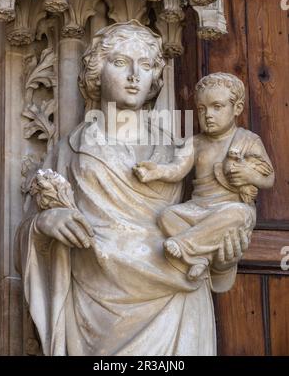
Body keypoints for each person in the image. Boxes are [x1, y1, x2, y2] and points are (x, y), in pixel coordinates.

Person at [15, 23, 251, 356]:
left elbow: (207, 219)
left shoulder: (180, 149)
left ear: (155, 76)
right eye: (121, 62)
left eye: (145, 65)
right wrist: (45, 224)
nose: (133, 75)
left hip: (175, 299)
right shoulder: (71, 148)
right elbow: (25, 235)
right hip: (98, 306)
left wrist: (224, 262)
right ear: (97, 73)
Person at [133, 73, 275, 281]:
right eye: (202, 109)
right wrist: (156, 171)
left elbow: (268, 179)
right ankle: (202, 258)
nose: (208, 114)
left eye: (217, 107)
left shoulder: (248, 140)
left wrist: (249, 173)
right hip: (198, 208)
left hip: (228, 208)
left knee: (239, 214)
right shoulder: (195, 143)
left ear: (237, 108)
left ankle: (186, 245)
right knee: (167, 216)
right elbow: (177, 169)